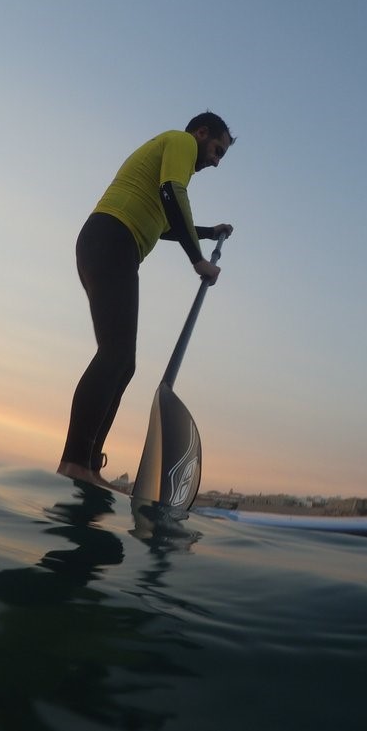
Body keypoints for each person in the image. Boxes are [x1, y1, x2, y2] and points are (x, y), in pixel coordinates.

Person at [58, 112, 235, 486]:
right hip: (111, 238)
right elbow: (173, 194)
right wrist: (198, 261)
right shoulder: (181, 142)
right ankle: (73, 461)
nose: (216, 162)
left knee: (124, 363)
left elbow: (167, 223)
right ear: (201, 133)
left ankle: (89, 464)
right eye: (217, 150)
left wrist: (206, 232)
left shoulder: (174, 157)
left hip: (111, 244)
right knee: (115, 355)